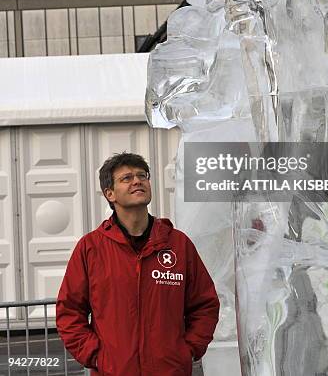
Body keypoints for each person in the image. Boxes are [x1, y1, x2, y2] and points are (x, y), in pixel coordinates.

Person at [56, 152, 220, 376]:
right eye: (127, 178)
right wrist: (96, 356)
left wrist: (187, 350)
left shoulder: (177, 244)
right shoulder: (91, 248)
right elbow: (69, 311)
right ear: (110, 193)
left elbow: (205, 304)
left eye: (142, 175)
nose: (137, 181)